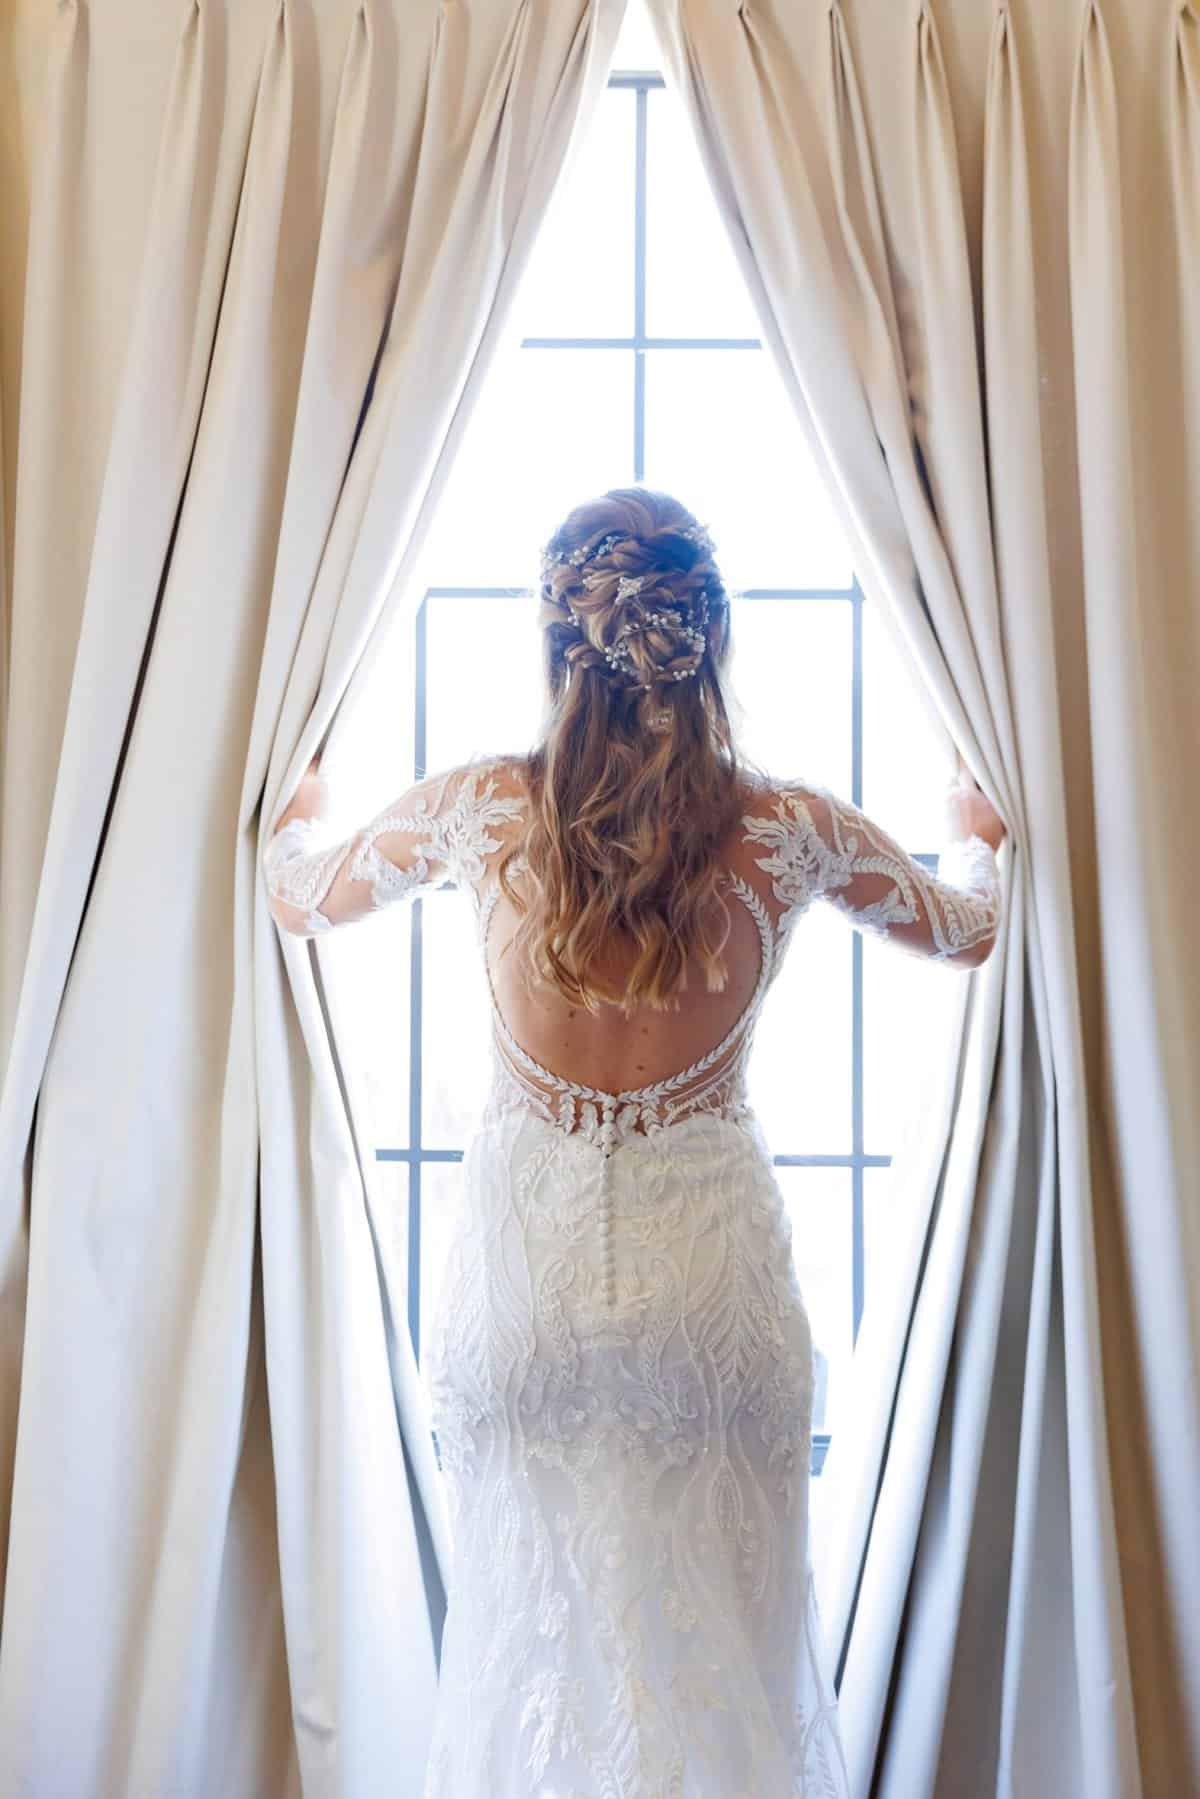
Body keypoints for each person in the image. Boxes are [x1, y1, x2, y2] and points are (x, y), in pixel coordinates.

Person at [262, 487, 1006, 1798]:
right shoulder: (788, 831)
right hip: (710, 1303)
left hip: (529, 1302)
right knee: (728, 1677)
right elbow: (971, 928)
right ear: (709, 644)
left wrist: (300, 804)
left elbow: (295, 898)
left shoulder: (479, 809)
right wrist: (980, 837)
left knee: (524, 1666)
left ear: (561, 645)